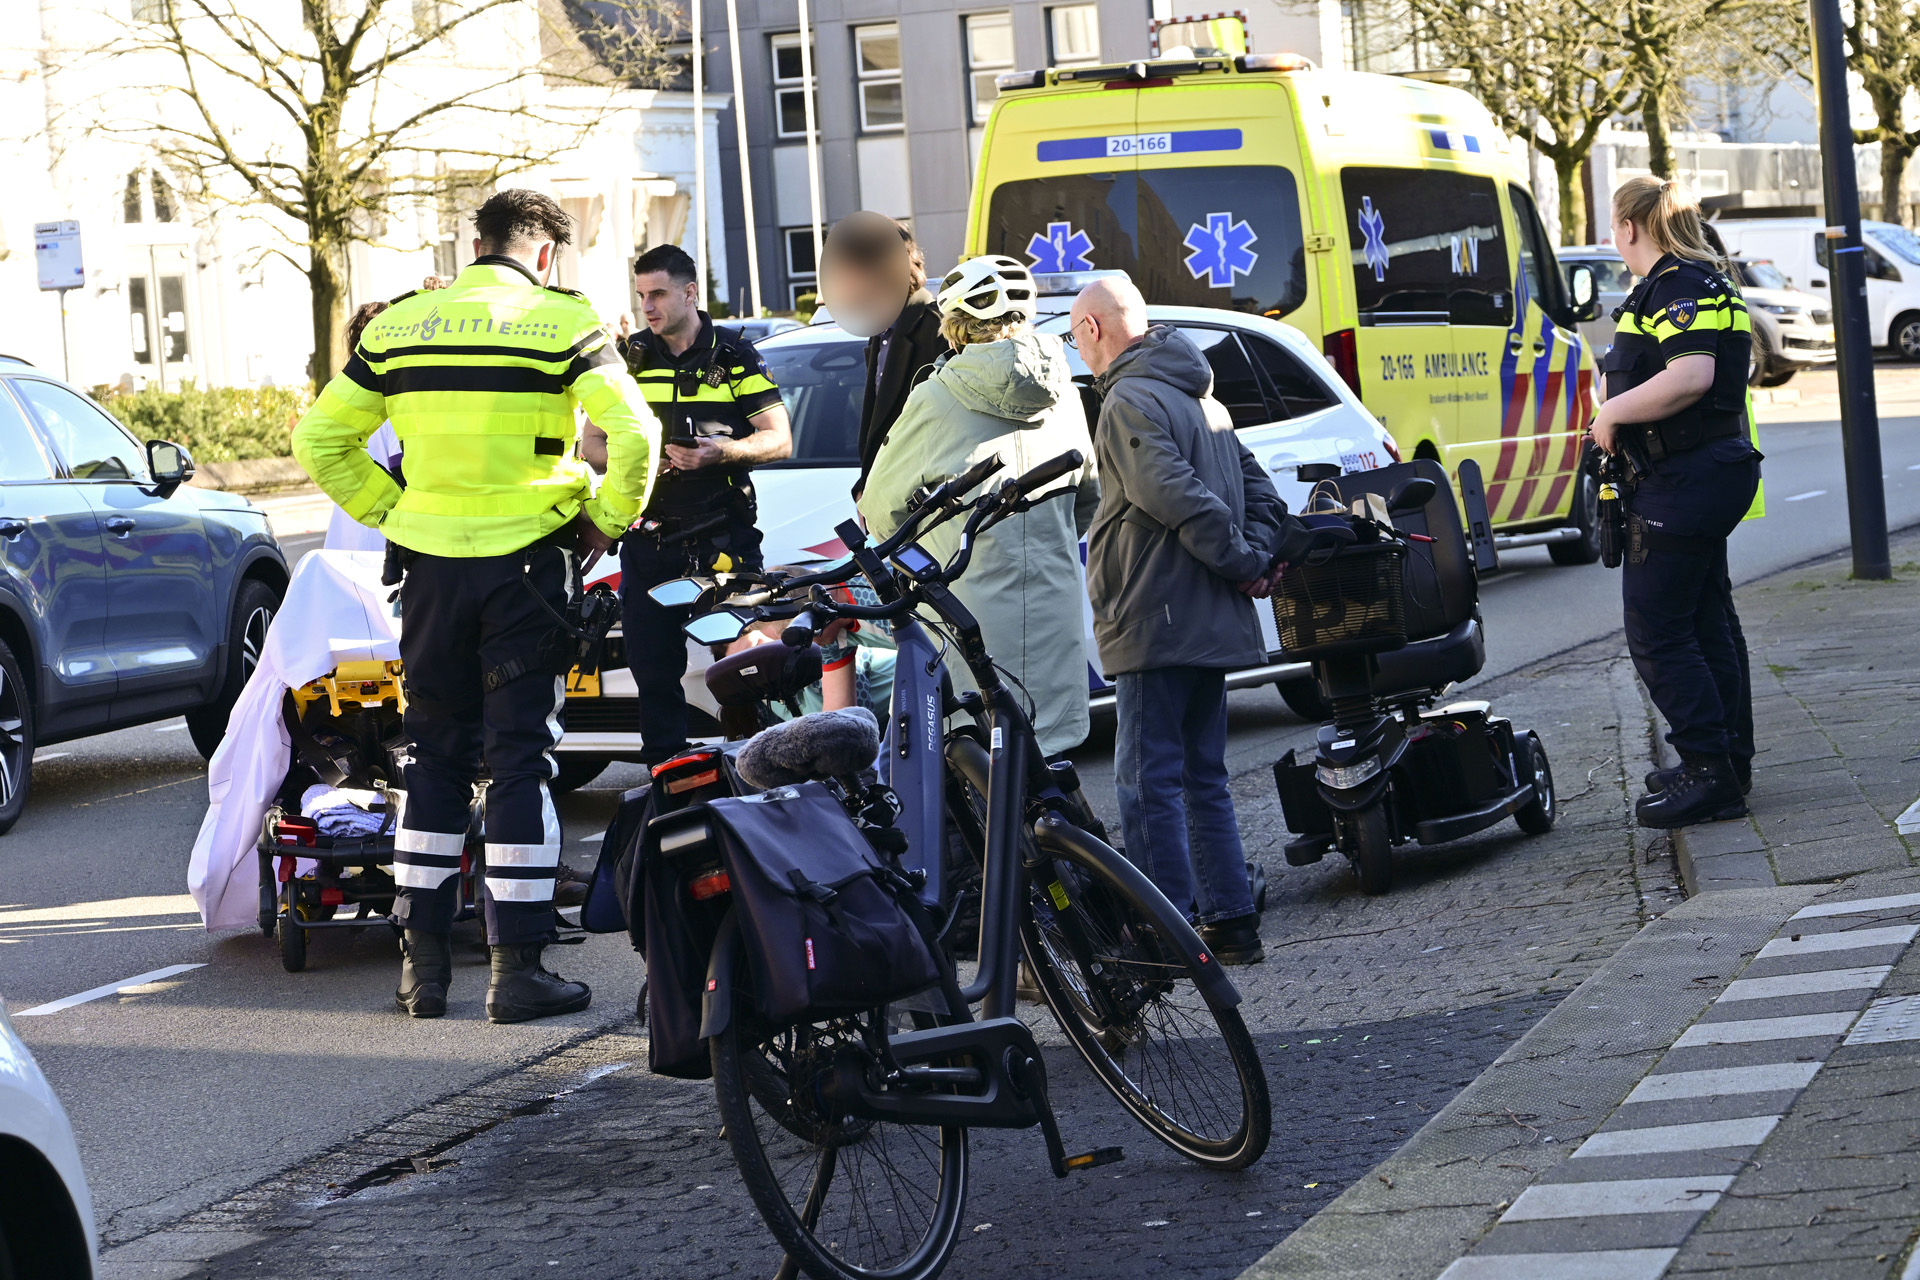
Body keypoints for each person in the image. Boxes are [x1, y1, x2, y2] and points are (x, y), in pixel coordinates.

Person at [294, 189, 659, 1022]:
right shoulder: (562, 323)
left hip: (429, 570)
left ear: (477, 243)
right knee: (522, 759)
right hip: (528, 566)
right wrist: (604, 519)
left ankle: (422, 973)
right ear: (543, 254)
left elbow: (321, 440)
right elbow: (635, 435)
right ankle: (518, 969)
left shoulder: (400, 327)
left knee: (433, 757)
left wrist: (393, 512)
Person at [1069, 276, 1305, 965]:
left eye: (1076, 336)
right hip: (1207, 616)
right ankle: (1230, 921)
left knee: (1148, 784)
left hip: (1154, 616)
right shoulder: (1202, 394)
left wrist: (1241, 560)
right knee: (1204, 776)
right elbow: (1255, 485)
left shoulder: (1127, 401)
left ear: (1092, 329)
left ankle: (1159, 933)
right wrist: (1256, 557)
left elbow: (1174, 498)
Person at [859, 255, 1098, 756]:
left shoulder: (938, 397)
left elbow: (882, 510)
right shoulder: (1065, 391)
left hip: (967, 613)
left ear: (954, 326)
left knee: (979, 769)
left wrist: (929, 557)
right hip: (1053, 606)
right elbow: (1088, 497)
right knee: (1051, 768)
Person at [1591, 175, 1762, 829]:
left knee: (1658, 631)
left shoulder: (1678, 286)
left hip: (1684, 478)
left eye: (1614, 222)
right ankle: (1722, 761)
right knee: (1705, 621)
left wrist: (1611, 412)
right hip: (1699, 474)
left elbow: (1693, 375)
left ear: (1628, 226)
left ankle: (1709, 773)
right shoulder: (1693, 284)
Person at [585, 244, 792, 765]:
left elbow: (779, 439)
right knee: (654, 675)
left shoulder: (734, 354)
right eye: (641, 295)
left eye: (658, 294)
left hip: (723, 539)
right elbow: (591, 445)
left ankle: (759, 776)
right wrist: (640, 463)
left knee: (746, 669)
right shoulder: (626, 357)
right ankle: (666, 783)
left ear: (690, 292)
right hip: (649, 542)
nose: (648, 306)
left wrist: (720, 452)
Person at [816, 212, 944, 497]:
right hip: (886, 501)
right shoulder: (881, 330)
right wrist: (867, 486)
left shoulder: (938, 330)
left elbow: (942, 432)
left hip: (924, 503)